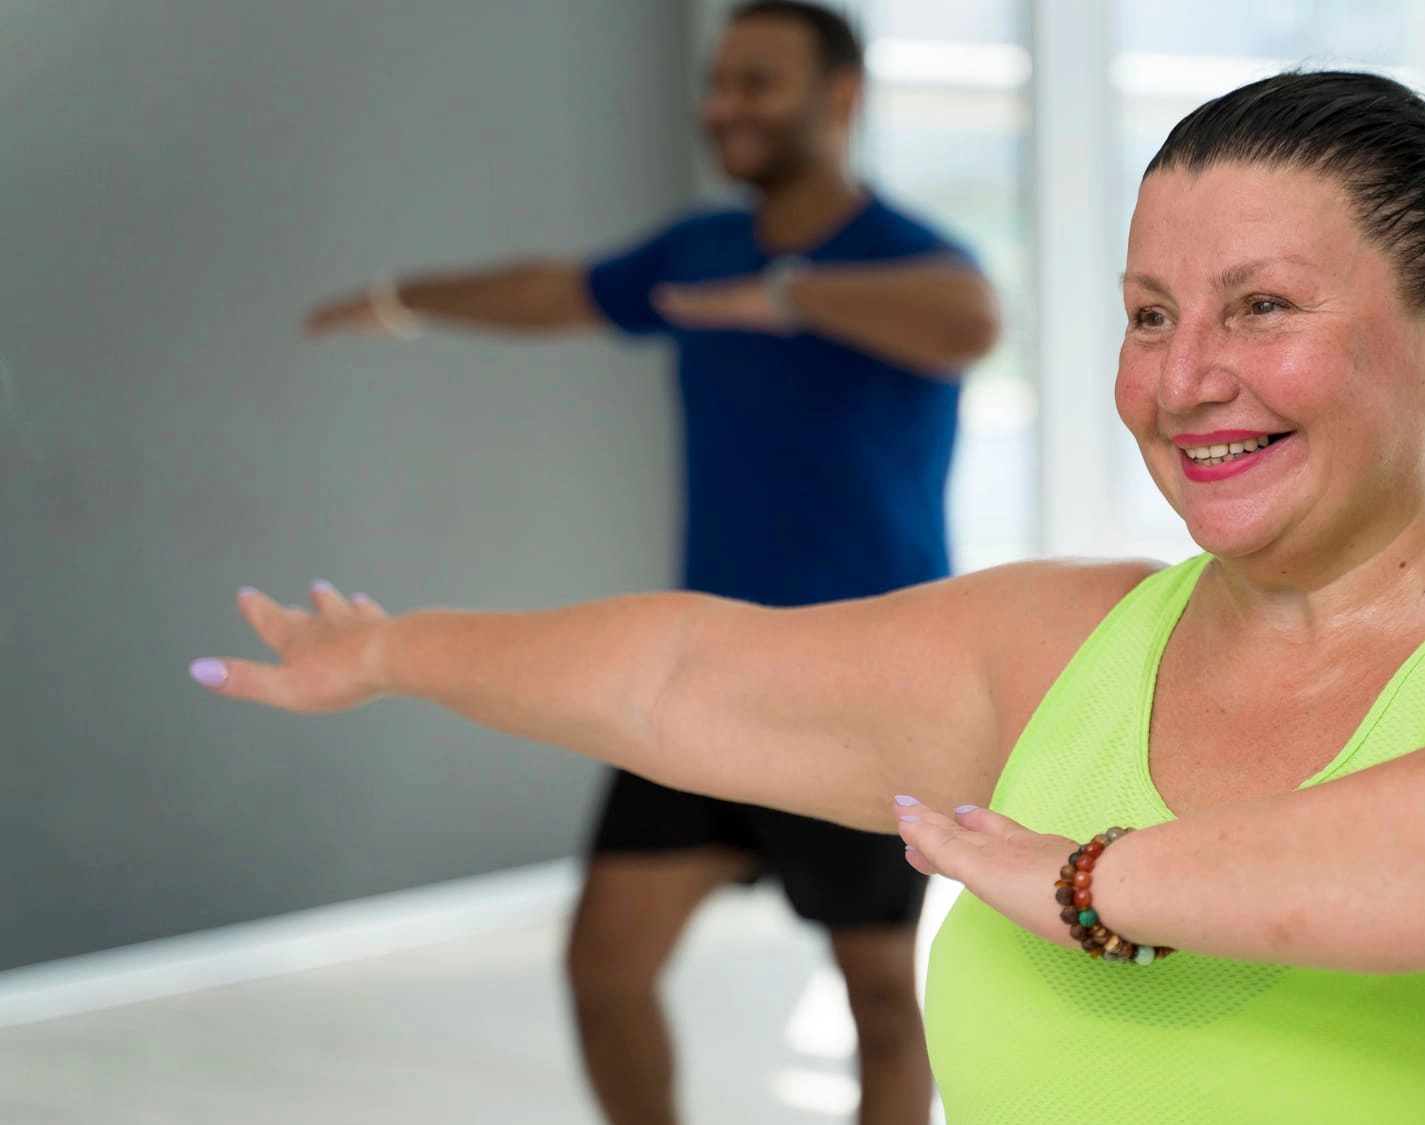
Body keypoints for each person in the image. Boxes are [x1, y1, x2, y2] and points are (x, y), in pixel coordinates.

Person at [195, 69, 1425, 1123]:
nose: (1185, 377)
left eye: (1263, 307)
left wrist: (1089, 881)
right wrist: (394, 648)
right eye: (1150, 313)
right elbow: (681, 672)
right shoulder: (1062, 645)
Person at [296, 4, 999, 1123]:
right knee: (605, 968)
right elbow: (557, 290)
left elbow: (969, 321)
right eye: (717, 82)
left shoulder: (907, 256)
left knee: (878, 998)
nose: (722, 106)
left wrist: (784, 297)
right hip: (703, 672)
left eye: (756, 83)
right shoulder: (698, 246)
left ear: (841, 99)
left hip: (862, 683)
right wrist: (401, 300)